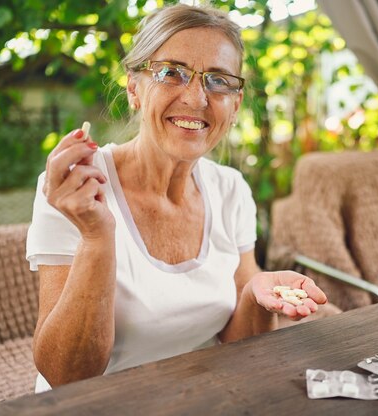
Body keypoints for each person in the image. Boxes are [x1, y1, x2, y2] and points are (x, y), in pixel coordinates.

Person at [26, 4, 328, 393]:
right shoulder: (79, 187)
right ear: (134, 88)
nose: (196, 97)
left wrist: (255, 295)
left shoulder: (231, 189)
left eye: (218, 80)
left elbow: (239, 342)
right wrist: (96, 238)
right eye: (171, 72)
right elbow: (65, 375)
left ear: (235, 105)